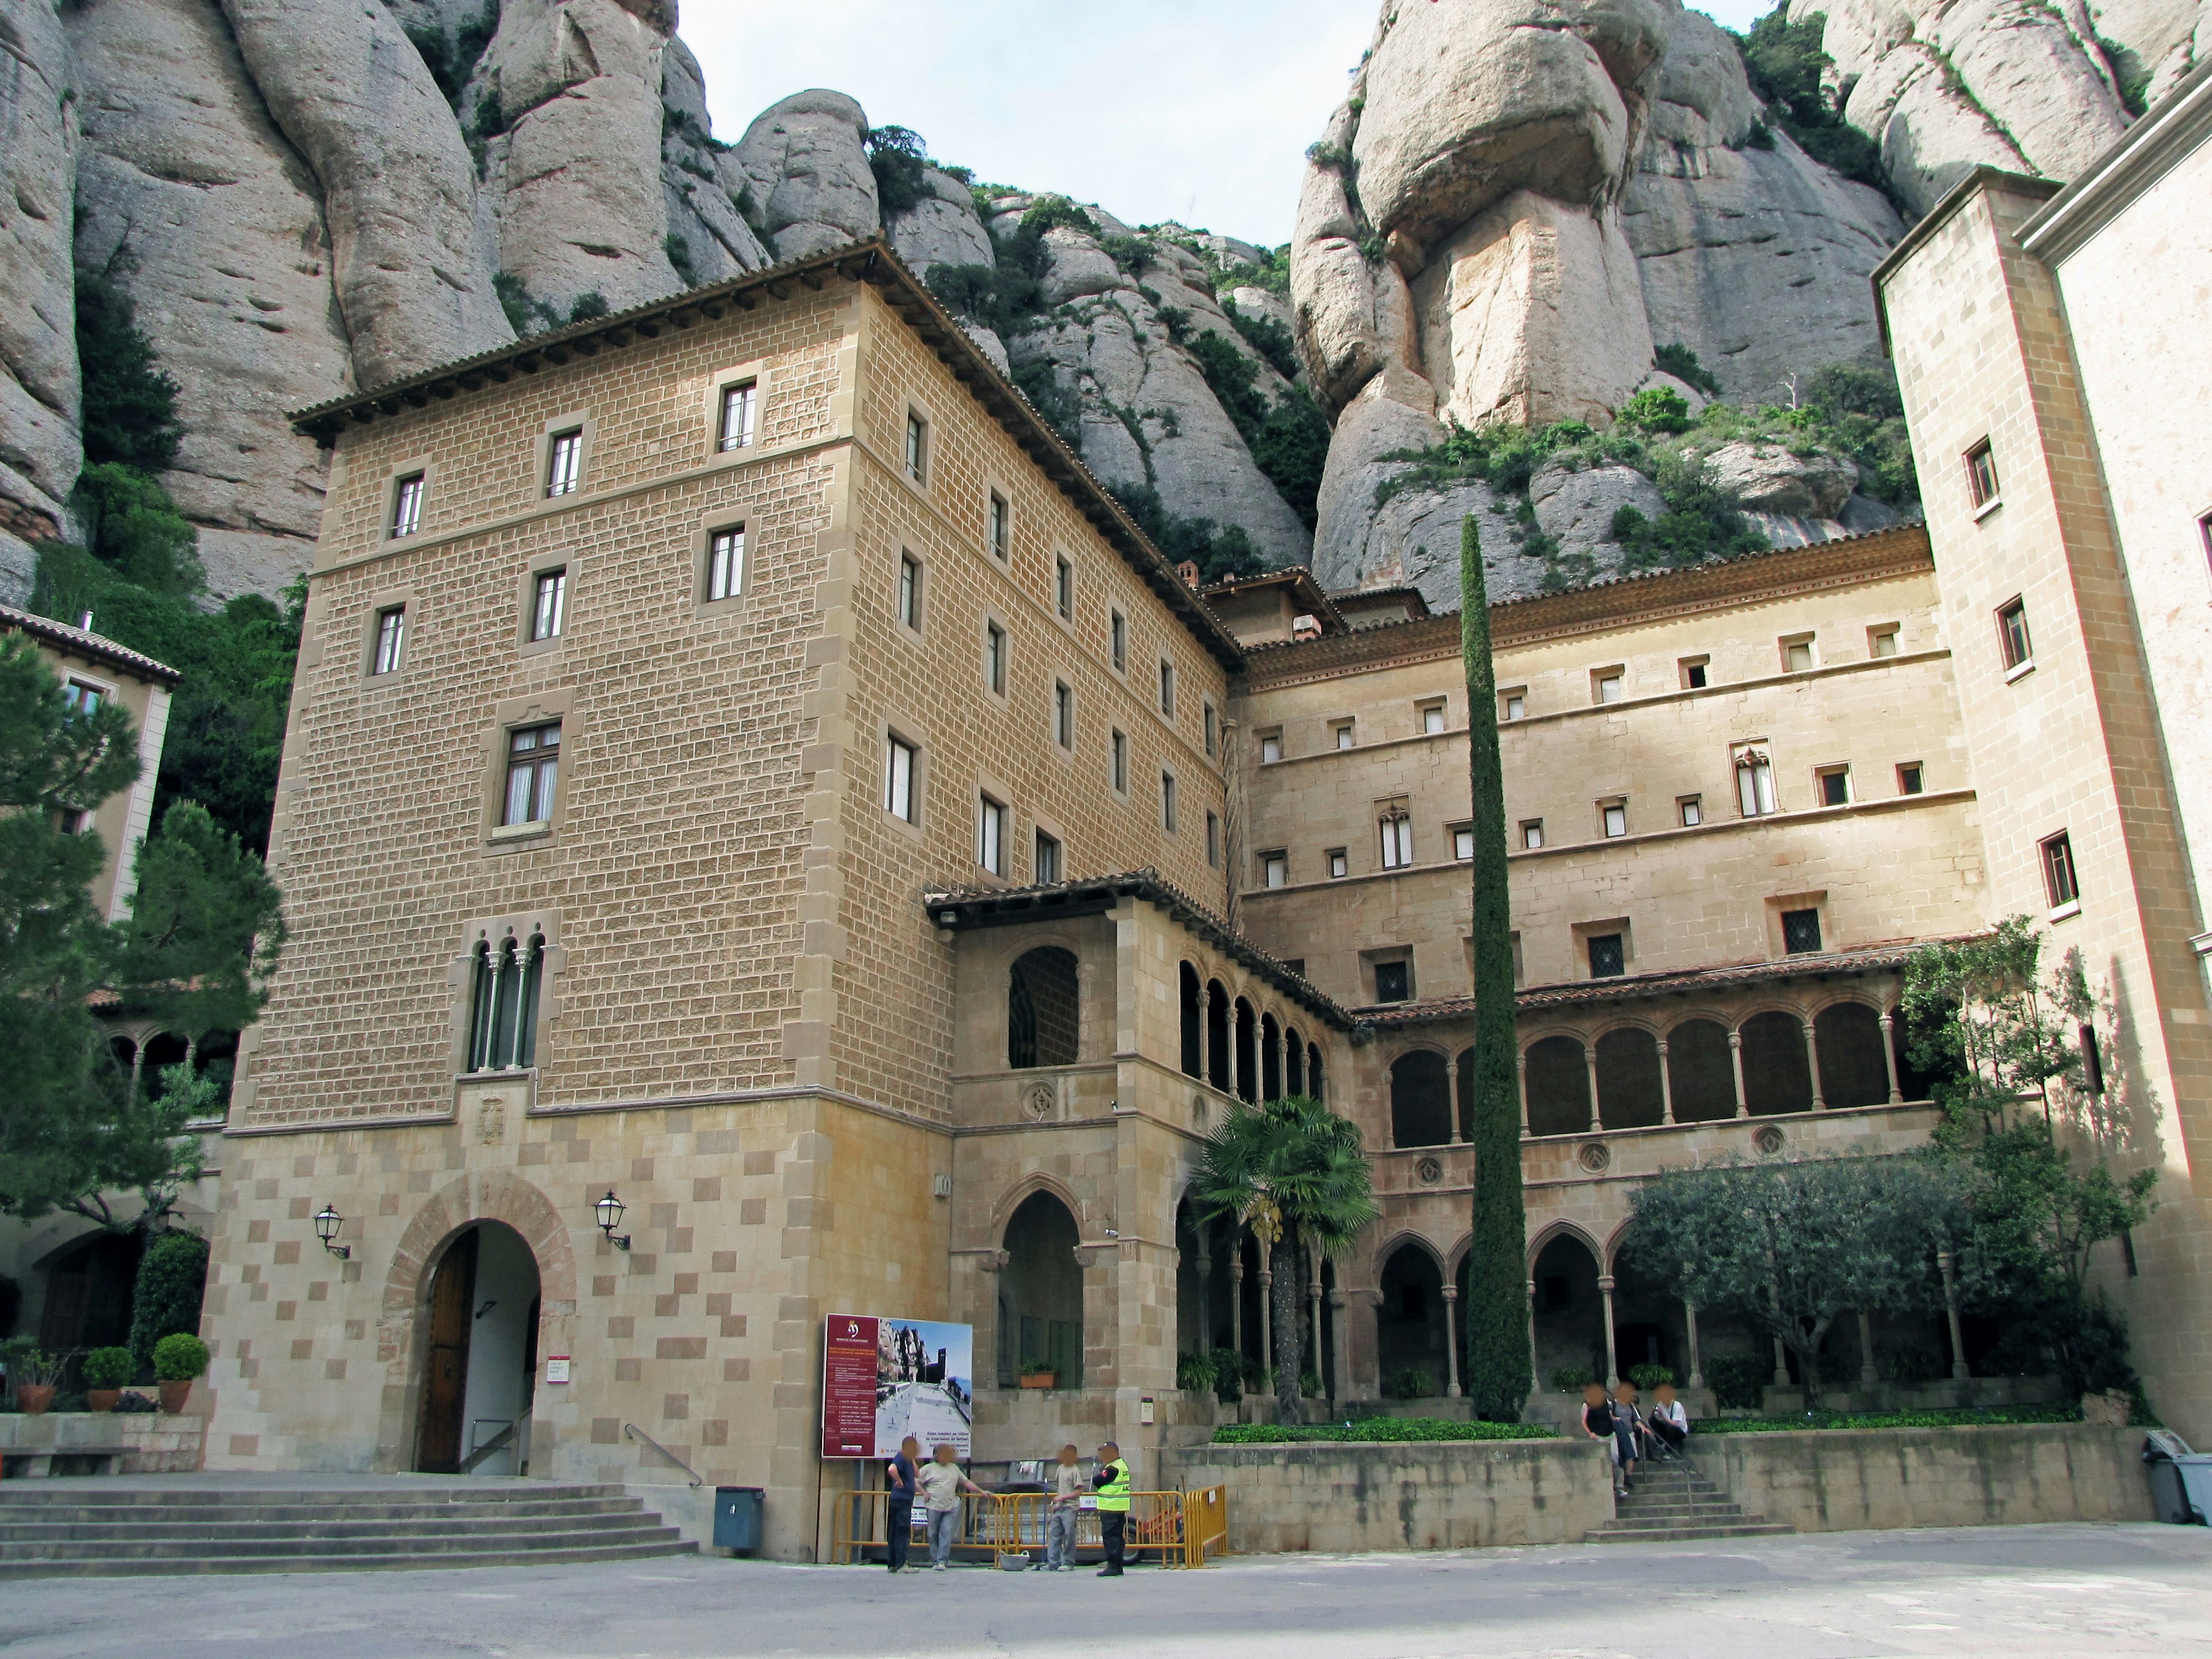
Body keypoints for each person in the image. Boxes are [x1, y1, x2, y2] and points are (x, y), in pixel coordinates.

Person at [914, 1442, 988, 1570]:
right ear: (936, 1456)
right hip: (933, 1506)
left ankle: (942, 1560)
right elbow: (915, 1481)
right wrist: (924, 1493)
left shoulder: (954, 1468)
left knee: (946, 1532)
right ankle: (935, 1560)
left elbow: (965, 1482)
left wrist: (981, 1491)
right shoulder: (928, 1468)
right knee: (932, 1533)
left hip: (950, 1506)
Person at [1093, 1441, 1131, 1576]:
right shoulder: (1120, 1465)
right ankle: (1117, 1565)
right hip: (1118, 1507)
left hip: (1111, 1507)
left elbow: (1097, 1481)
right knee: (1116, 1537)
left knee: (1111, 1537)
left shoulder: (1113, 1468)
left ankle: (1113, 1566)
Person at [1581, 1381, 1623, 1499]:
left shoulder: (1605, 1401)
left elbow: (1609, 1413)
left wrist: (1614, 1419)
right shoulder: (1587, 1404)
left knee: (1616, 1459)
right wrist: (1590, 1433)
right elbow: (1583, 1421)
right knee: (1604, 1460)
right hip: (1598, 1434)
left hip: (1610, 1433)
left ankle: (1619, 1486)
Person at [1044, 1443, 1084, 1570]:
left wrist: (1062, 1498)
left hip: (1071, 1507)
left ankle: (1068, 1562)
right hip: (1059, 1507)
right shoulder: (1060, 1468)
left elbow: (1079, 1490)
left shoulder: (1075, 1470)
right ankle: (1053, 1562)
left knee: (1069, 1535)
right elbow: (1060, 1489)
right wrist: (1057, 1503)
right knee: (1055, 1534)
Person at [884, 1435, 921, 1573]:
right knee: (902, 1531)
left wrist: (912, 1459)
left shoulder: (907, 1459)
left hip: (898, 1499)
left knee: (894, 1531)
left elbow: (918, 1474)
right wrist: (899, 1481)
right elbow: (892, 1469)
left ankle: (893, 1563)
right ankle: (901, 1564)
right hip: (902, 1499)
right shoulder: (901, 1457)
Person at [1611, 1380, 1642, 1492]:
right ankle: (1619, 1482)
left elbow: (1636, 1420)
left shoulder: (1631, 1406)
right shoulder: (1613, 1404)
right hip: (1618, 1433)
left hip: (1630, 1433)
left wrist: (1643, 1428)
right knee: (1618, 1457)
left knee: (1631, 1456)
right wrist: (1614, 1419)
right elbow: (1609, 1414)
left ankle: (1628, 1477)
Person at [1646, 1381, 1689, 1455]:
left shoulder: (1677, 1406)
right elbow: (1654, 1419)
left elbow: (1674, 1424)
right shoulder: (1661, 1404)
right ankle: (1661, 1443)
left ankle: (1669, 1451)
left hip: (1679, 1431)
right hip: (1667, 1429)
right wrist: (1653, 1412)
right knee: (1652, 1420)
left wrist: (1663, 1415)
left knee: (1671, 1427)